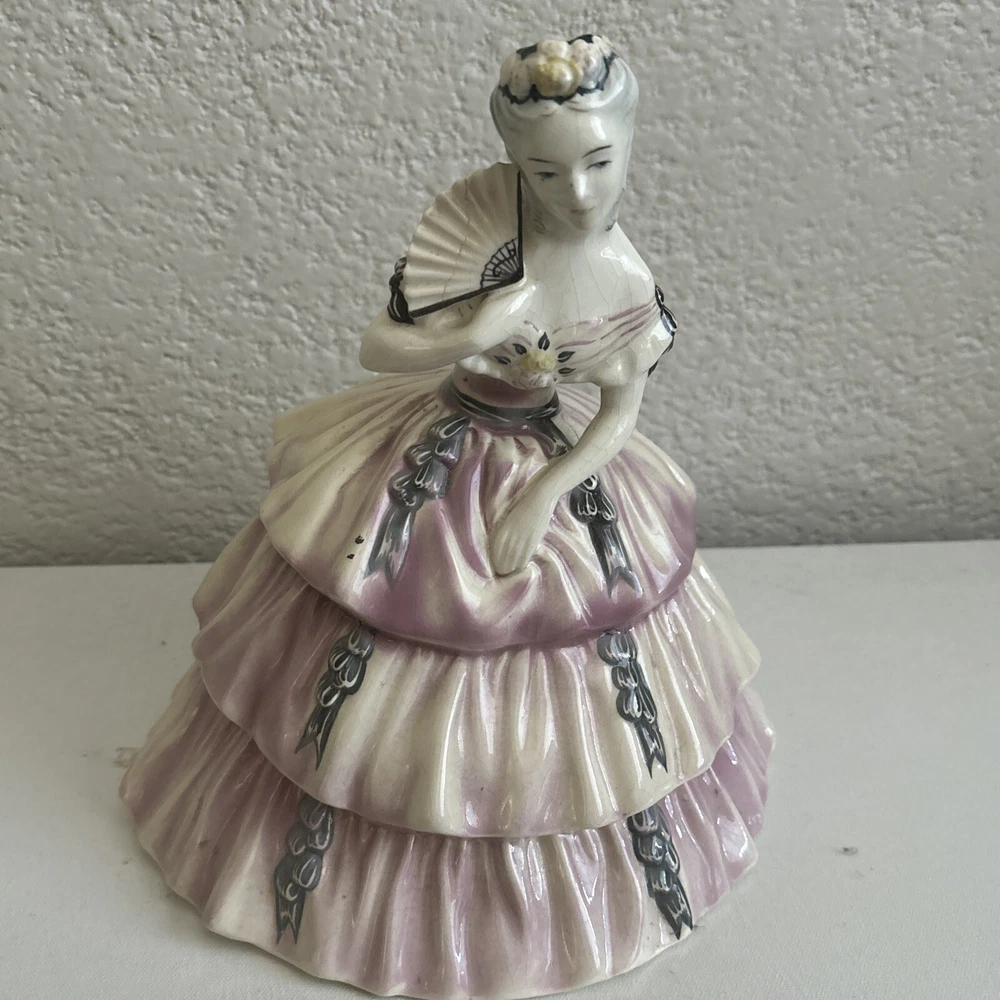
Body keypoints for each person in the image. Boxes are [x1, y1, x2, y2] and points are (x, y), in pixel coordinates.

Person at [121, 35, 773, 999]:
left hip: (546, 457)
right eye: (546, 171)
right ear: (515, 163)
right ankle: (331, 862)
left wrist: (544, 498)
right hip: (436, 440)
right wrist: (470, 332)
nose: (577, 192)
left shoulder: (625, 284)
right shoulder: (493, 240)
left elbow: (617, 417)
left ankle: (529, 878)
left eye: (599, 163)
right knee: (369, 607)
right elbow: (380, 345)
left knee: (566, 646)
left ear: (631, 146)